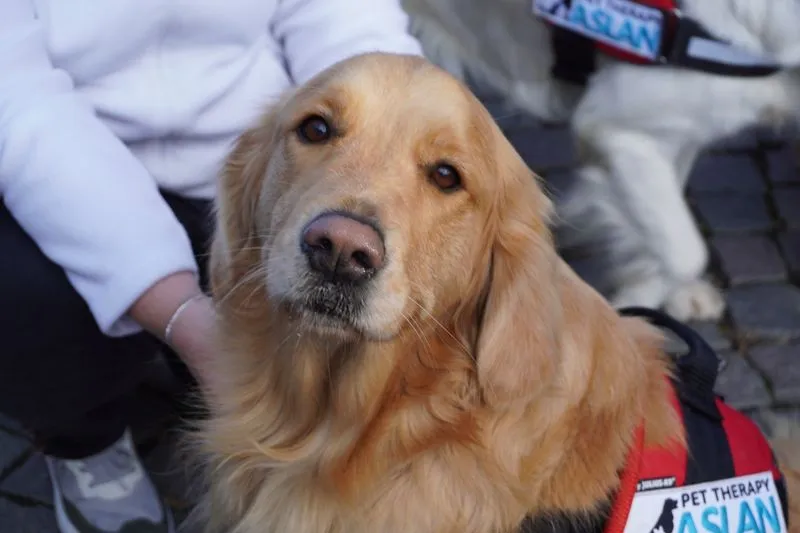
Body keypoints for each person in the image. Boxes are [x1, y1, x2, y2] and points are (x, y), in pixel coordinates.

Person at [0, 2, 423, 532]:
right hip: (41, 158)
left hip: (251, 146)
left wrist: (395, 158)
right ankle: (85, 440)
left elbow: (343, 20)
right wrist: (181, 314)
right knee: (30, 303)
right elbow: (17, 103)